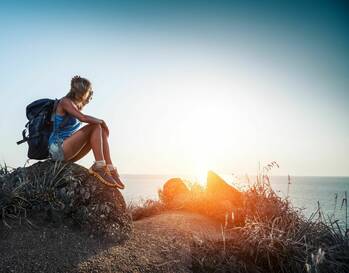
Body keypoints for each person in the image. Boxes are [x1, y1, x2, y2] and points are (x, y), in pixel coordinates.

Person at [48, 75, 125, 189]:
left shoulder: (76, 105)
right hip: (57, 149)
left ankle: (110, 168)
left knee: (98, 129)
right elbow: (82, 118)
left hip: (67, 151)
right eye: (89, 91)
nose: (91, 93)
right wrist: (102, 122)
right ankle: (99, 166)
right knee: (96, 126)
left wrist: (102, 129)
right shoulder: (65, 102)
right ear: (82, 92)